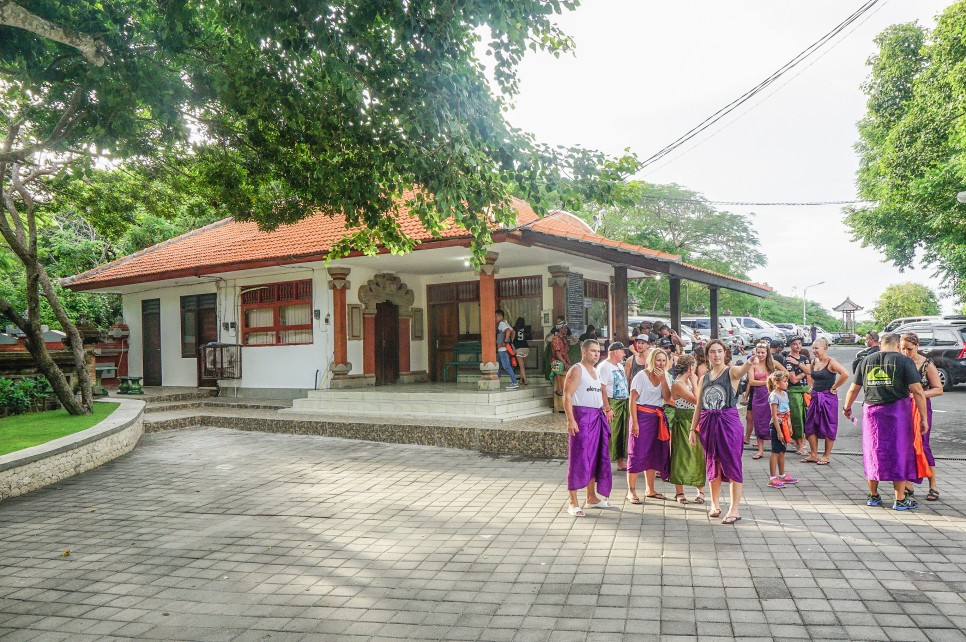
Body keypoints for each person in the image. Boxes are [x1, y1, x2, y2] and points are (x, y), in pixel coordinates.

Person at [843, 333, 930, 511]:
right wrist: (923, 418)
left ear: (881, 344)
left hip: (872, 413)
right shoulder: (905, 361)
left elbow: (854, 388)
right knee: (899, 452)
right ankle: (899, 499)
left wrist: (847, 408)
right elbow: (918, 391)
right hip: (897, 412)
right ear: (898, 345)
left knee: (872, 451)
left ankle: (874, 496)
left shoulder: (866, 361)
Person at [688, 339, 759, 524]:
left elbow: (742, 370)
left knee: (732, 462)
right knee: (712, 462)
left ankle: (734, 509)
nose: (717, 355)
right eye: (713, 351)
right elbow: (698, 406)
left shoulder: (731, 372)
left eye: (720, 351)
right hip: (707, 423)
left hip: (728, 422)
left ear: (725, 353)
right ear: (708, 355)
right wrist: (692, 429)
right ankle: (715, 504)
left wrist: (750, 362)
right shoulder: (704, 377)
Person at [563, 340, 614, 517]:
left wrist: (607, 409)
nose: (596, 354)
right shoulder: (577, 370)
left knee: (596, 457)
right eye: (593, 351)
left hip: (597, 417)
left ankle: (591, 497)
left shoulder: (596, 371)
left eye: (598, 351)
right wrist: (571, 420)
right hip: (582, 417)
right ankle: (573, 502)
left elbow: (601, 392)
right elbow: (567, 395)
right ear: (584, 352)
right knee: (579, 457)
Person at [900, 332, 943, 501]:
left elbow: (938, 389)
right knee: (904, 445)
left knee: (923, 444)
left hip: (921, 407)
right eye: (902, 349)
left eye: (909, 349)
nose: (906, 352)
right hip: (902, 407)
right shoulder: (901, 362)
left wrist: (920, 394)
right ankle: (908, 483)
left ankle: (933, 484)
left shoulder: (926, 364)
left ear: (917, 345)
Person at [627, 348, 672, 503]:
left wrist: (664, 380)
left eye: (663, 360)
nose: (661, 363)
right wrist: (635, 423)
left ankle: (650, 489)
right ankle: (631, 490)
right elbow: (632, 400)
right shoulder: (641, 376)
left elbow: (667, 397)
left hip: (657, 417)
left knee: (653, 453)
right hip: (641, 416)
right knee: (637, 452)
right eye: (658, 360)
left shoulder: (665, 376)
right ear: (652, 361)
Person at [800, 338, 849, 465]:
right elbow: (812, 376)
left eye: (817, 348)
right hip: (815, 396)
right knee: (810, 424)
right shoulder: (813, 361)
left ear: (825, 348)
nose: (814, 351)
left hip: (828, 397)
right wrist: (812, 387)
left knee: (828, 425)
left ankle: (826, 455)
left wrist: (834, 387)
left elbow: (845, 374)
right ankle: (814, 454)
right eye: (813, 348)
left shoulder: (831, 362)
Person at [669, 355, 706, 504]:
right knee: (681, 454)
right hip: (683, 421)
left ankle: (700, 490)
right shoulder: (678, 383)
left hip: (694, 419)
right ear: (690, 367)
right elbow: (697, 400)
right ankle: (680, 491)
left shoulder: (687, 382)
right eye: (694, 366)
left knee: (698, 454)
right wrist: (696, 382)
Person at [745, 341, 783, 460]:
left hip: (771, 395)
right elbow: (751, 381)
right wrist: (767, 381)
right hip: (758, 395)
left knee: (774, 420)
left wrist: (776, 381)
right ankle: (760, 450)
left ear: (767, 353)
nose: (760, 355)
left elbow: (784, 372)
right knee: (758, 421)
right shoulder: (752, 365)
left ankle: (775, 447)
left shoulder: (773, 363)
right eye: (758, 352)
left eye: (763, 352)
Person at [597, 342, 630, 471]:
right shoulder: (604, 367)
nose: (624, 354)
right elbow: (602, 388)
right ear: (614, 352)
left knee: (622, 433)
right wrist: (607, 408)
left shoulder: (620, 367)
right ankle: (603, 462)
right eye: (622, 351)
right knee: (611, 433)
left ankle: (621, 461)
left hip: (623, 402)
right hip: (612, 403)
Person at [765, 371, 797, 488]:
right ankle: (772, 478)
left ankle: (782, 474)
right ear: (777, 383)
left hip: (785, 424)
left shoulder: (785, 394)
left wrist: (790, 426)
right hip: (777, 425)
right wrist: (778, 431)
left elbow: (787, 411)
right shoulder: (774, 396)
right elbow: (774, 415)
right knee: (775, 452)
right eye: (784, 381)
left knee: (782, 451)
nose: (787, 383)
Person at [784, 337, 811, 456]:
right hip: (794, 391)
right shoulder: (788, 360)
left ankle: (803, 441)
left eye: (799, 344)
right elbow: (793, 379)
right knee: (797, 418)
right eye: (795, 344)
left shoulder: (804, 358)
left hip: (805, 390)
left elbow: (810, 371)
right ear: (790, 345)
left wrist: (799, 364)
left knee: (807, 417)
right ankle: (799, 445)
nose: (798, 346)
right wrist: (804, 371)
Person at [495, 309, 519, 390]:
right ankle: (496, 379)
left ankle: (515, 382)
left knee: (506, 366)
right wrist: (510, 341)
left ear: (500, 316)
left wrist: (505, 341)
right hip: (502, 349)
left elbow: (508, 331)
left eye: (496, 317)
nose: (495, 318)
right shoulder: (505, 322)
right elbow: (513, 332)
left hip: (503, 349)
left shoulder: (502, 323)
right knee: (498, 365)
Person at [550, 323, 571, 412]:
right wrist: (564, 363)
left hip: (564, 359)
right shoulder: (555, 339)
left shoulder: (564, 339)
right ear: (560, 329)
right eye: (565, 328)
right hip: (556, 361)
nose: (566, 329)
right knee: (559, 365)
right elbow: (558, 354)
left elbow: (565, 353)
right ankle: (559, 388)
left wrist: (569, 362)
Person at [512, 317, 531, 385]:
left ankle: (525, 380)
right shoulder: (525, 328)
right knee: (522, 365)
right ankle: (521, 379)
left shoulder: (514, 329)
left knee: (521, 366)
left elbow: (512, 340)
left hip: (518, 348)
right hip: (526, 348)